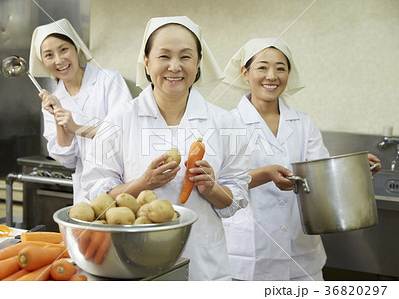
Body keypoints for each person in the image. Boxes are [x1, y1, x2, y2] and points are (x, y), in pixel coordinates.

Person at [81, 16, 250, 280]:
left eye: (185, 57)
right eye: (164, 56)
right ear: (147, 63)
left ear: (198, 63)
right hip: (135, 262)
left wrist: (212, 188)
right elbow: (96, 195)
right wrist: (143, 183)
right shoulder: (120, 119)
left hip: (203, 266)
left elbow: (236, 198)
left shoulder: (223, 122)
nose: (174, 67)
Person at [221, 38, 381, 281]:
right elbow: (220, 183)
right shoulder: (227, 123)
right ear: (245, 73)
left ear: (289, 73)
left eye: (280, 68)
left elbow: (323, 178)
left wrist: (355, 170)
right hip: (248, 254)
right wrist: (265, 174)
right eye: (262, 67)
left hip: (301, 254)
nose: (272, 76)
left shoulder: (303, 123)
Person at [29, 18, 132, 204]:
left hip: (124, 182)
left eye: (63, 49)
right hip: (86, 192)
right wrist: (60, 120)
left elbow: (124, 132)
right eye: (49, 55)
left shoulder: (108, 79)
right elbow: (68, 161)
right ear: (43, 61)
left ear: (75, 48)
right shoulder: (53, 100)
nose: (59, 60)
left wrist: (76, 128)